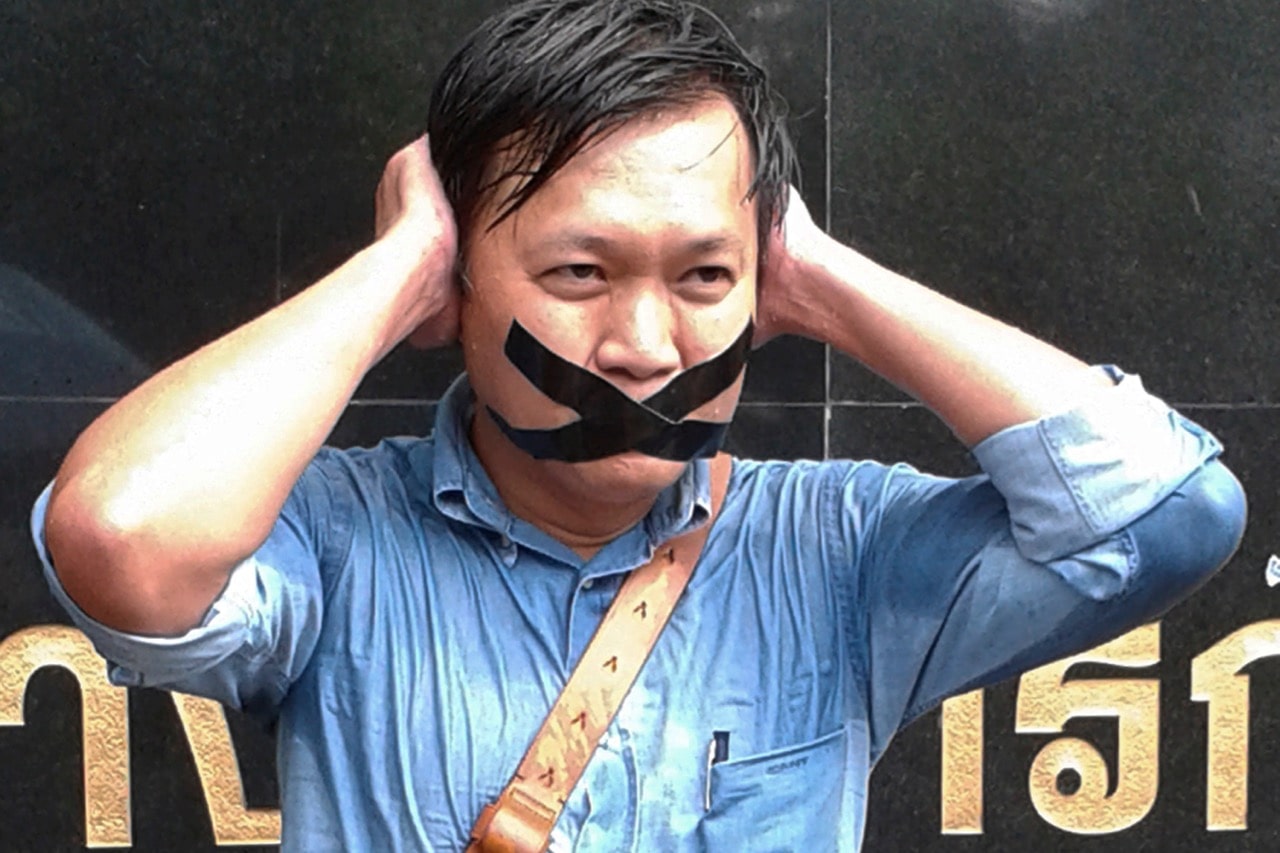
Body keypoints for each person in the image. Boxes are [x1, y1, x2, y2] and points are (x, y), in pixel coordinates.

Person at [31, 0, 1245, 849]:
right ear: (458, 290)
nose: (644, 347)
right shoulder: (338, 544)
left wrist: (813, 272)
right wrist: (399, 263)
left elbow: (1167, 512)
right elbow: (124, 538)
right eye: (576, 275)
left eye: (702, 280)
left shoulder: (841, 554)